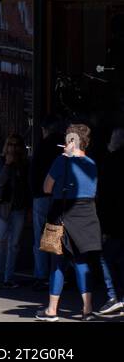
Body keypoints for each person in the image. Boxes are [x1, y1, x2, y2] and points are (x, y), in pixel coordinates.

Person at [36, 124, 124, 320]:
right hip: (87, 217)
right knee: (82, 262)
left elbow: (46, 188)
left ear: (71, 141)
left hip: (64, 216)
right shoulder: (92, 163)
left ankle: (51, 310)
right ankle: (87, 309)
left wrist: (65, 160)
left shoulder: (62, 161)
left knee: (58, 263)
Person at [0, 134, 32, 289]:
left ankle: (9, 277)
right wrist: (8, 165)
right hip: (2, 208)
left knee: (14, 244)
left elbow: (28, 187)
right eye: (10, 144)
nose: (13, 148)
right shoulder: (0, 160)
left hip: (18, 208)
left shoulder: (24, 164)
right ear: (6, 146)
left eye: (16, 145)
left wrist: (29, 208)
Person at [30, 116, 63, 289]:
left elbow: (35, 171)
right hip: (57, 197)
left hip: (42, 195)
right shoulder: (63, 146)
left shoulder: (43, 146)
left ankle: (41, 274)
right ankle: (54, 273)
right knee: (54, 235)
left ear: (45, 130)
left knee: (39, 236)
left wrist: (35, 192)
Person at [101, 128, 124, 294]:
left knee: (107, 257)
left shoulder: (110, 161)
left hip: (114, 218)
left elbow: (105, 194)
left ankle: (113, 295)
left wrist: (104, 226)